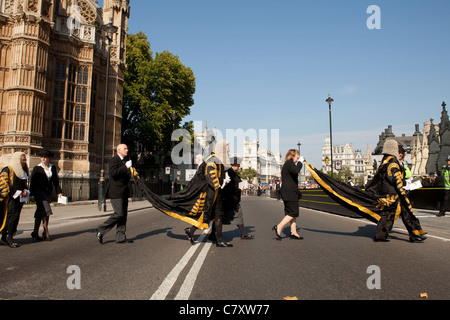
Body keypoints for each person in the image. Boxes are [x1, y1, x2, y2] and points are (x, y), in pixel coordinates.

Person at [366, 140, 426, 242]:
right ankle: (414, 234)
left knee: (390, 215)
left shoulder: (385, 161)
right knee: (400, 213)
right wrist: (406, 185)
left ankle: (412, 234)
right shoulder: (393, 163)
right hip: (395, 194)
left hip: (388, 194)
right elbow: (395, 179)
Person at [96, 144, 133, 244]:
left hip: (124, 192)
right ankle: (101, 228)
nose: (127, 150)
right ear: (119, 150)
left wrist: (129, 171)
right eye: (125, 148)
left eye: (127, 148)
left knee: (123, 215)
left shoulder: (123, 161)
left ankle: (120, 237)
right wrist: (125, 167)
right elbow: (113, 173)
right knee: (119, 213)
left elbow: (125, 177)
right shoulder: (114, 160)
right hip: (116, 191)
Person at [29, 149, 63, 241]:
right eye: (42, 157)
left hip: (47, 193)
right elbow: (33, 182)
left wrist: (59, 192)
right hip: (39, 192)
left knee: (40, 212)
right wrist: (31, 194)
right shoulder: (37, 168)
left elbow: (55, 181)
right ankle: (46, 231)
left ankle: (35, 232)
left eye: (45, 157)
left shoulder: (53, 168)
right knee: (47, 210)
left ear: (49, 158)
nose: (43, 158)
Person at [273, 149, 304, 240]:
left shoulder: (287, 164)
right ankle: (279, 226)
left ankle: (293, 232)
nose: (298, 157)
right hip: (290, 192)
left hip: (288, 192)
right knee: (294, 212)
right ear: (292, 155)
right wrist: (300, 163)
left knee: (290, 213)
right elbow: (296, 170)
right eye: (297, 155)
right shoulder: (289, 163)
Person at [1, 152, 29, 248]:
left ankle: (5, 237)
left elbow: (24, 184)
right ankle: (9, 237)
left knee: (15, 217)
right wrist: (16, 192)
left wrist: (25, 190)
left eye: (25, 160)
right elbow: (4, 184)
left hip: (18, 199)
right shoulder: (8, 170)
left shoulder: (22, 171)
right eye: (23, 160)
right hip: (9, 199)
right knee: (11, 217)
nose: (25, 161)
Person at [223, 157, 254, 240]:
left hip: (232, 199)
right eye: (238, 164)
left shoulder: (232, 172)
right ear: (235, 164)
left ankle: (244, 233)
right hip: (231, 199)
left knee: (234, 216)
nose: (239, 165)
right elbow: (230, 187)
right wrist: (239, 189)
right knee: (219, 218)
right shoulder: (230, 173)